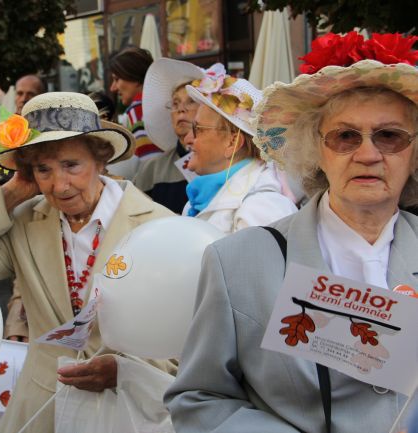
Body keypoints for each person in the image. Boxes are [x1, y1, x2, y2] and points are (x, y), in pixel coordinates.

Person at [165, 32, 418, 433]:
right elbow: (198, 399)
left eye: (389, 136)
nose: (368, 154)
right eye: (345, 136)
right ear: (315, 148)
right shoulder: (238, 263)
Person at [0, 92, 175, 433]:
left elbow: (187, 333)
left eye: (71, 165)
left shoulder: (155, 225)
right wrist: (11, 193)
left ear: (101, 159)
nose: (59, 185)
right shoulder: (24, 222)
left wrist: (127, 371)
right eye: (43, 169)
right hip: (40, 407)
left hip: (126, 408)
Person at [180, 68, 297, 233]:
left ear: (232, 142)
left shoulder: (262, 209)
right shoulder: (200, 200)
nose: (187, 139)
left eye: (197, 128)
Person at [133, 58, 214, 213]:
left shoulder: (223, 162)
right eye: (175, 103)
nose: (180, 110)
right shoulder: (152, 169)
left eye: (191, 101)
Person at [0, 74, 46, 194]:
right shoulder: (6, 127)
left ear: (42, 97)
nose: (24, 98)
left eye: (30, 94)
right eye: (19, 93)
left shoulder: (50, 130)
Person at [109, 47, 161, 162]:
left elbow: (148, 163)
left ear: (136, 79)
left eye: (117, 79)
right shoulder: (160, 102)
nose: (113, 88)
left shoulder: (138, 109)